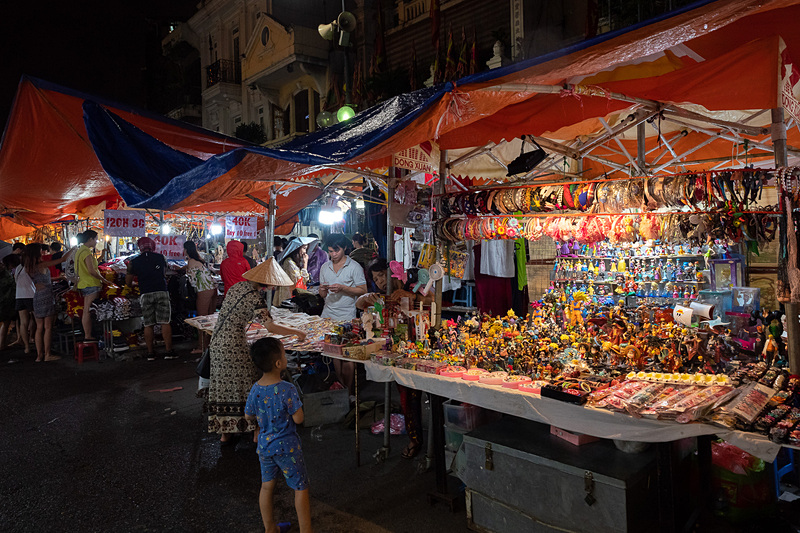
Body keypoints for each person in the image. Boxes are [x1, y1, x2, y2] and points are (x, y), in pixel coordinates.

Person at [207, 258, 306, 445]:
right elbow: (271, 327)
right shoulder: (255, 298)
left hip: (217, 342)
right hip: (234, 345)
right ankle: (256, 431)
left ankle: (225, 433)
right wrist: (296, 331)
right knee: (248, 381)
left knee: (222, 385)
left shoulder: (237, 287)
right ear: (267, 283)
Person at [357, 259, 432, 459]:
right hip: (399, 350)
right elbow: (359, 303)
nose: (380, 282)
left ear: (391, 272)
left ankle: (434, 440)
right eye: (376, 279)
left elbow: (433, 299)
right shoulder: (382, 295)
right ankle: (415, 439)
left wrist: (412, 295)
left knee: (428, 396)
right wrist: (366, 296)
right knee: (407, 395)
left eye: (382, 275)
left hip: (423, 345)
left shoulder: (412, 282)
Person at [245, 337, 312, 533]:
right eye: (284, 354)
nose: (285, 357)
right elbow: (298, 419)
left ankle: (270, 529)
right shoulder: (287, 389)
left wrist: (260, 424)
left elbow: (248, 414)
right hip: (287, 447)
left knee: (266, 487)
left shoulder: (255, 389)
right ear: (278, 363)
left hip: (265, 447)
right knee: (300, 487)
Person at [319, 234, 367, 398]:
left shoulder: (354, 267)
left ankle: (350, 392)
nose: (333, 255)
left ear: (344, 248)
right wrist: (322, 291)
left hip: (347, 317)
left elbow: (363, 291)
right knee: (334, 355)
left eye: (336, 251)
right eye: (330, 251)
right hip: (328, 316)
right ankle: (342, 392)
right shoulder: (325, 267)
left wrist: (343, 288)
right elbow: (322, 294)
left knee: (347, 356)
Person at [126, 236, 176, 361]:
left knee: (148, 324)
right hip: (161, 291)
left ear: (140, 247)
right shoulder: (160, 257)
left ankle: (150, 353)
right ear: (152, 245)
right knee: (165, 322)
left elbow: (128, 282)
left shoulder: (134, 261)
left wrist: (136, 283)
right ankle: (169, 351)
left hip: (145, 293)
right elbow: (163, 274)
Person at [22, 243, 67, 362]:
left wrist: (57, 278)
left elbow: (42, 280)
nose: (43, 252)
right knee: (47, 327)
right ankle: (47, 355)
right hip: (47, 295)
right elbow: (63, 259)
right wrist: (73, 248)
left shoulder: (28, 267)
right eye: (41, 250)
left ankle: (39, 356)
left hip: (37, 296)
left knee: (39, 327)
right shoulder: (42, 264)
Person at [75, 230, 112, 341]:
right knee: (88, 311)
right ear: (90, 239)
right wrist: (104, 280)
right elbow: (91, 271)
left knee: (87, 310)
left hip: (84, 284)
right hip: (91, 284)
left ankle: (87, 335)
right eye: (96, 239)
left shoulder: (80, 251)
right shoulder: (86, 252)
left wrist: (102, 256)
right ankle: (88, 335)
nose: (96, 241)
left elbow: (93, 265)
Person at [184, 240, 217, 354]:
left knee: (201, 320)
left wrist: (186, 272)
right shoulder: (198, 260)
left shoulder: (191, 262)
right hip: (211, 289)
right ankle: (208, 345)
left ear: (186, 250)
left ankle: (201, 347)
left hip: (203, 291)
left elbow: (193, 282)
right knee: (208, 318)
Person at [274, 237, 312, 307]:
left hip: (290, 293)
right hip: (288, 295)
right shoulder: (289, 263)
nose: (305, 252)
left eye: (306, 249)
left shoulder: (293, 262)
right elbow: (300, 280)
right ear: (297, 248)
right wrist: (305, 264)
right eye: (304, 248)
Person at [0, 255, 19, 351]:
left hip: (6, 302)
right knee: (5, 322)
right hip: (5, 302)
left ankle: (2, 344)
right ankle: (2, 344)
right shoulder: (6, 275)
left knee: (6, 323)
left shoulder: (6, 273)